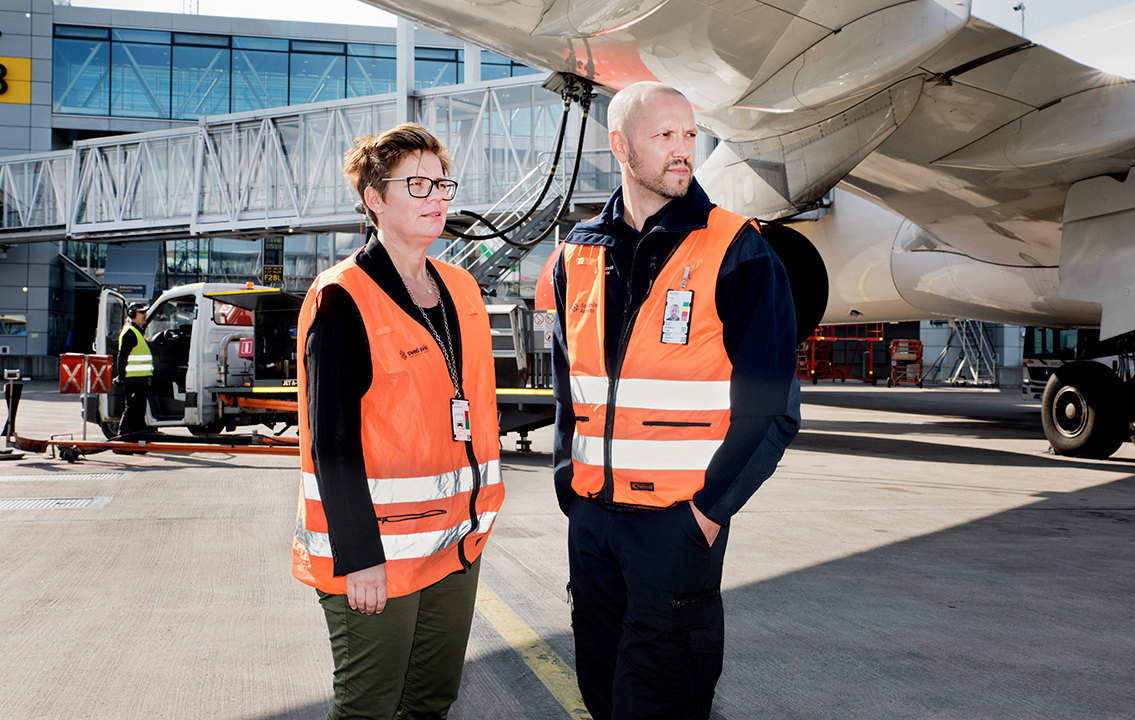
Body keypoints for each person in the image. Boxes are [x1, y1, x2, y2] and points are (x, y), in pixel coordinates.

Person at [550, 81, 801, 720]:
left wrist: (708, 513)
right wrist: (568, 490)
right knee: (602, 695)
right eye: (664, 135)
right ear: (621, 147)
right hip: (594, 525)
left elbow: (771, 408)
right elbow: (568, 388)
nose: (682, 149)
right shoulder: (575, 255)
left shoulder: (738, 250)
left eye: (689, 134)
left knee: (662, 702)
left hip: (676, 525)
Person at [292, 123, 504, 720]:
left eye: (443, 183)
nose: (437, 196)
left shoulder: (460, 288)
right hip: (375, 551)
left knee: (431, 700)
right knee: (370, 707)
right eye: (417, 184)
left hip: (456, 542)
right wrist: (358, 556)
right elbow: (331, 442)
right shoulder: (344, 297)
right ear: (375, 199)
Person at [113, 302, 151, 436]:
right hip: (133, 379)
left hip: (140, 378)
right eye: (142, 312)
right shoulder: (130, 332)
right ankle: (122, 440)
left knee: (139, 411)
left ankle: (138, 440)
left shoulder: (137, 331)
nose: (145, 314)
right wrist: (121, 377)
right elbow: (122, 357)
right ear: (132, 314)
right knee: (133, 410)